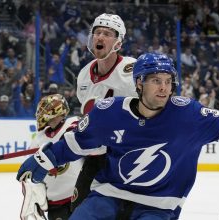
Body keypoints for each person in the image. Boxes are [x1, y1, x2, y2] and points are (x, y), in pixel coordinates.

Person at [16, 52, 219, 219]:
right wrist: (42, 162)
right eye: (155, 81)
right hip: (107, 197)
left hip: (158, 207)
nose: (163, 88)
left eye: (168, 81)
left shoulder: (188, 115)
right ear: (138, 83)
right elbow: (75, 144)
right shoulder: (108, 112)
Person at [72, 13, 138, 214]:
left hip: (127, 158)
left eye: (107, 33)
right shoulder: (84, 74)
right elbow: (88, 117)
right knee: (78, 210)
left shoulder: (132, 71)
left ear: (118, 42)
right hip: (96, 158)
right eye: (97, 32)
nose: (100, 37)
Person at [18, 94, 84, 220]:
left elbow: (74, 136)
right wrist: (32, 195)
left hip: (79, 195)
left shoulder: (73, 123)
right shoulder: (39, 138)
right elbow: (29, 174)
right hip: (55, 202)